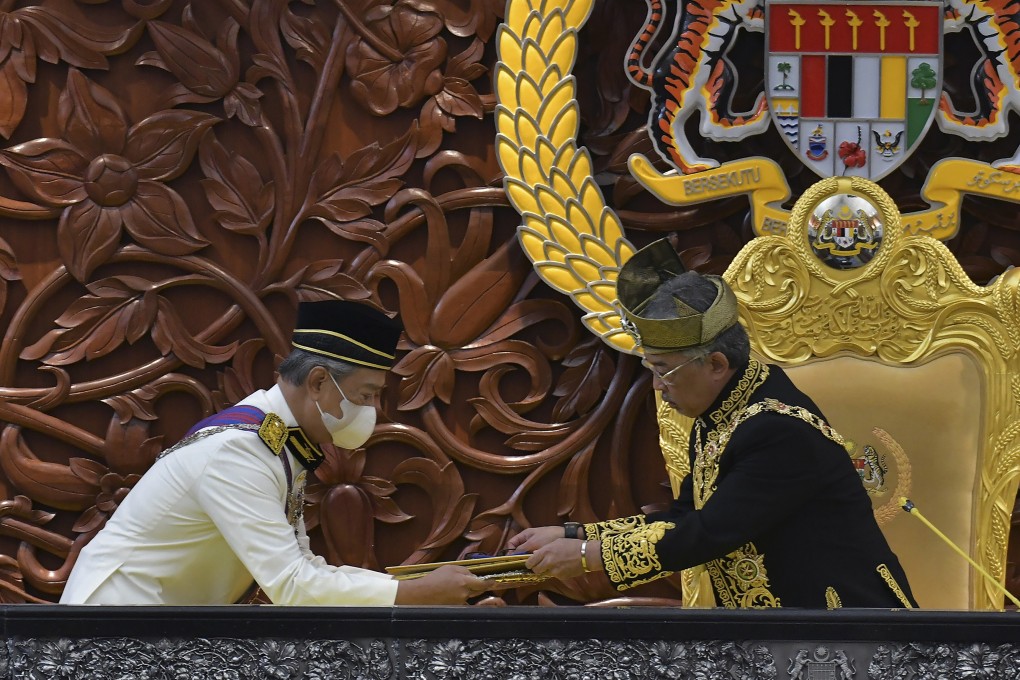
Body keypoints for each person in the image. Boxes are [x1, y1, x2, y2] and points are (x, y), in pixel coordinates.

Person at [507, 239, 917, 609]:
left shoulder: (777, 428)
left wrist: (589, 558)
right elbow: (684, 518)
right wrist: (577, 536)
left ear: (717, 364)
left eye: (663, 369)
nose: (657, 386)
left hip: (848, 633)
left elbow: (709, 532)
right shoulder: (724, 414)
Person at [61, 300, 488, 606]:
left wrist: (414, 584)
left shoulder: (278, 440)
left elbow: (303, 566)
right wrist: (412, 595)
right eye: (365, 395)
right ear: (319, 382)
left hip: (158, 632)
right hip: (113, 631)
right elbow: (292, 585)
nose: (372, 412)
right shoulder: (238, 452)